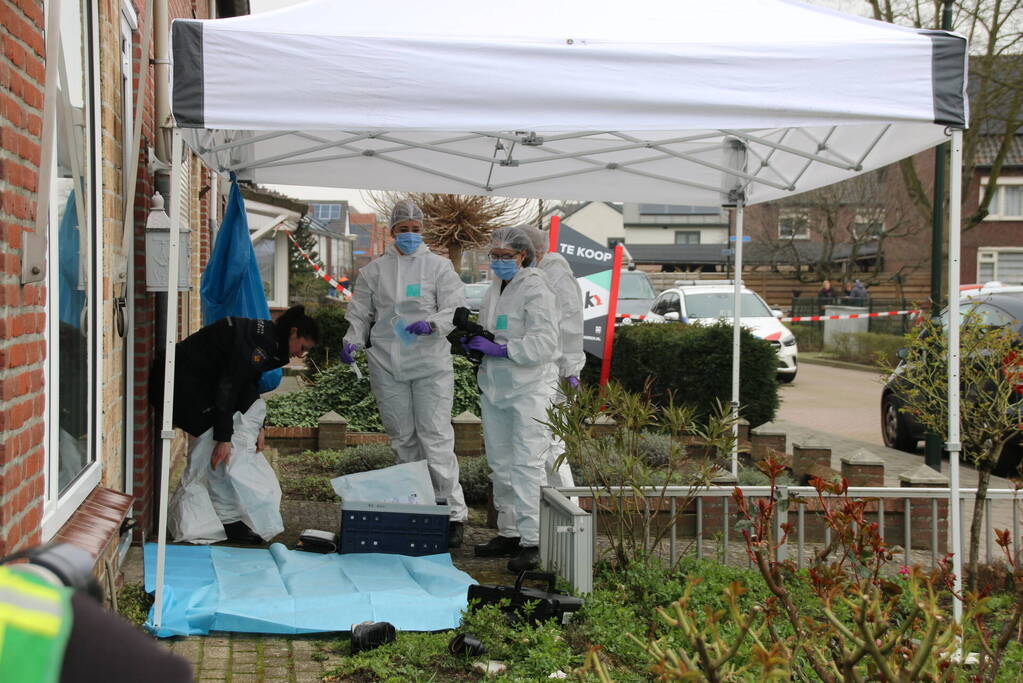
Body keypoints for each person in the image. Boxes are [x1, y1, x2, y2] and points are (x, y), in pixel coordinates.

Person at [340, 200, 469, 547]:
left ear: (421, 229)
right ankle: (418, 508)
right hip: (386, 360)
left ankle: (453, 512)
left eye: (415, 229)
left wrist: (435, 324)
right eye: (403, 229)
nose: (410, 234)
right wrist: (352, 340)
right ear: (392, 231)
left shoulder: (439, 267)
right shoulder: (374, 271)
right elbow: (359, 312)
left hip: (429, 362)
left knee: (435, 436)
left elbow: (456, 306)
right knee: (403, 439)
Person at [151, 305, 319, 544]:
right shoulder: (260, 344)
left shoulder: (268, 340)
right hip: (174, 383)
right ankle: (203, 522)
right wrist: (224, 437)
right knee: (212, 453)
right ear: (293, 333)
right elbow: (228, 387)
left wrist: (260, 426)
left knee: (221, 453)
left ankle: (223, 519)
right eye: (302, 347)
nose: (301, 355)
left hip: (193, 381)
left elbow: (247, 383)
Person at [468, 226, 559, 573]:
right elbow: (491, 328)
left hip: (529, 388)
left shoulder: (536, 288)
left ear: (524, 256)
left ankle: (533, 540)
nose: (500, 262)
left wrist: (503, 349)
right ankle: (508, 531)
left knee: (527, 463)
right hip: (496, 386)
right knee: (501, 462)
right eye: (495, 256)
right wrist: (478, 345)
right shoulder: (494, 288)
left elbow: (545, 343)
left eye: (507, 256)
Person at [520, 224, 584, 488]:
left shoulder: (555, 274)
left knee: (552, 442)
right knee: (536, 443)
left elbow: (570, 325)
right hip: (536, 370)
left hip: (556, 372)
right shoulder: (532, 273)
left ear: (535, 250)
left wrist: (570, 369)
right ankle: (547, 510)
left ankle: (568, 511)